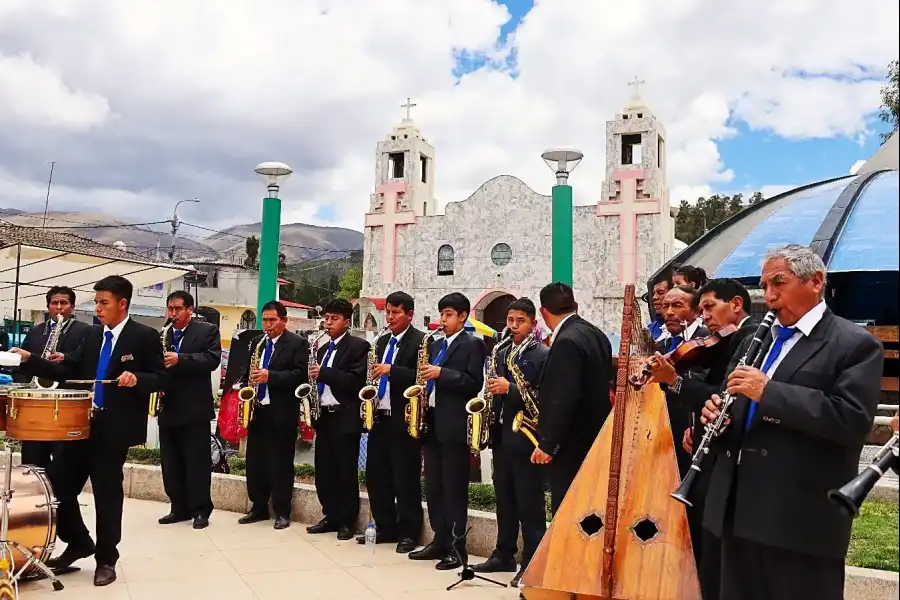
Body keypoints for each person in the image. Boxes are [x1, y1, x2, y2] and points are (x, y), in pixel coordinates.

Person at [700, 244, 883, 600]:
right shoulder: (758, 339)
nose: (769, 297)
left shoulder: (854, 345)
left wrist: (769, 392)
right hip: (736, 512)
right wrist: (717, 419)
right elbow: (737, 404)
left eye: (779, 284)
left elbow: (851, 419)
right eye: (765, 286)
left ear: (815, 282)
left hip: (799, 521)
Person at [10, 275, 168, 587]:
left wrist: (138, 379)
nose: (97, 308)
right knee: (56, 489)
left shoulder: (144, 336)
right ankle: (80, 541)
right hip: (80, 427)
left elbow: (162, 377)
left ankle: (107, 558)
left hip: (114, 430)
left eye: (103, 302)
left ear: (122, 304)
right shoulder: (94, 336)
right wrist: (32, 360)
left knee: (107, 496)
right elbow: (67, 371)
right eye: (96, 302)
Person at [649, 278, 756, 600]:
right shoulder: (724, 340)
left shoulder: (750, 338)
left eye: (709, 307)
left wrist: (675, 381)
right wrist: (697, 424)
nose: (704, 316)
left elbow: (723, 395)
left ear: (736, 304)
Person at [472, 298, 549, 588]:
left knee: (529, 502)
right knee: (503, 497)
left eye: (520, 321)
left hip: (527, 435)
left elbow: (544, 396)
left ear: (533, 324)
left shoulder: (542, 354)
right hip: (502, 433)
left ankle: (532, 560)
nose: (513, 326)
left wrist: (511, 388)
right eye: (510, 320)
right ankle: (503, 553)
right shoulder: (501, 350)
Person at [409, 292, 485, 570]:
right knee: (434, 488)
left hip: (453, 426)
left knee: (454, 490)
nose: (443, 320)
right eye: (441, 314)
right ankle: (439, 540)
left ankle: (457, 549)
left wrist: (442, 374)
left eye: (449, 315)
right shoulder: (435, 343)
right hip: (431, 423)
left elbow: (473, 383)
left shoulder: (473, 344)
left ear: (463, 316)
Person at [531, 282, 613, 515]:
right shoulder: (596, 333)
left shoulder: (567, 340)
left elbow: (564, 396)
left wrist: (548, 443)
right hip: (594, 437)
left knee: (567, 509)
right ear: (575, 305)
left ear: (543, 312)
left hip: (571, 444)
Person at [358, 291, 425, 553]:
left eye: (395, 313)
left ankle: (408, 532)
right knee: (377, 476)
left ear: (409, 315)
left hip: (404, 419)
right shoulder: (382, 342)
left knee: (405, 477)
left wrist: (391, 370)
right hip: (380, 418)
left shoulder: (421, 341)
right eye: (387, 312)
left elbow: (420, 377)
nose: (390, 317)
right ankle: (385, 527)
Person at [237, 300, 308, 530]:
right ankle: (257, 507)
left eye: (272, 320)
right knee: (255, 462)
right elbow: (248, 371)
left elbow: (300, 375)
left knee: (280, 463)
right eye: (265, 320)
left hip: (281, 411)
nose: (267, 325)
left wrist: (272, 376)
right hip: (258, 410)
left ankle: (281, 511)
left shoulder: (298, 343)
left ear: (284, 321)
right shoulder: (258, 342)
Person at [305, 298, 370, 540]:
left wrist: (325, 373)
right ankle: (330, 515)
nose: (328, 323)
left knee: (345, 472)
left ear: (347, 321)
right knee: (324, 471)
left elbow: (356, 382)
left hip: (345, 416)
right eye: (327, 318)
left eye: (334, 318)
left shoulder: (358, 347)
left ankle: (346, 521)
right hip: (324, 416)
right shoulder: (322, 349)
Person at [156, 291, 221, 530]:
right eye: (170, 309)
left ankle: (200, 510)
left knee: (196, 462)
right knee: (170, 462)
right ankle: (178, 507)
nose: (172, 314)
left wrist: (180, 359)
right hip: (169, 406)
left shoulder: (207, 331)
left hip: (195, 408)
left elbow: (212, 359)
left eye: (178, 309)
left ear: (190, 310)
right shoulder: (164, 333)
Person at [14, 286, 91, 470]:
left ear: (72, 307)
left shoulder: (85, 331)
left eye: (63, 303)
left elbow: (83, 364)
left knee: (63, 466)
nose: (59, 307)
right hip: (36, 407)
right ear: (48, 306)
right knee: (31, 464)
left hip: (64, 408)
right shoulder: (35, 332)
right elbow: (20, 365)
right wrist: (26, 384)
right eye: (54, 303)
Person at [654, 285, 707, 480]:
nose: (669, 312)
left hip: (692, 433)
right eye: (666, 306)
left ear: (696, 311)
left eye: (677, 305)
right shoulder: (661, 346)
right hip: (663, 434)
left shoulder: (708, 342)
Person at [647, 270, 674, 343]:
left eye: (660, 293)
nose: (654, 297)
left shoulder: (680, 327)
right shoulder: (651, 328)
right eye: (654, 293)